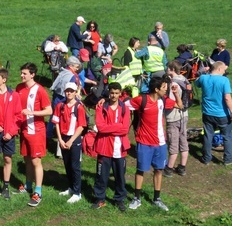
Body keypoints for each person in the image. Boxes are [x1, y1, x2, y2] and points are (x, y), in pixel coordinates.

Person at [127, 75, 174, 211]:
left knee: (159, 170)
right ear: (156, 89)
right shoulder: (141, 100)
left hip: (160, 143)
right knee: (141, 170)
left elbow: (180, 105)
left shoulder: (164, 100)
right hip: (144, 141)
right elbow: (123, 105)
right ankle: (137, 198)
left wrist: (176, 94)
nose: (166, 90)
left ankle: (157, 199)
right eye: (164, 88)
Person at [15, 62, 52, 207]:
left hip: (36, 130)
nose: (21, 76)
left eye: (25, 73)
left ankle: (38, 191)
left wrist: (32, 113)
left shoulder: (40, 90)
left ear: (32, 74)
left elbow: (49, 110)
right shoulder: (19, 88)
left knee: (36, 160)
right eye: (21, 73)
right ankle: (28, 185)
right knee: (27, 159)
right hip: (24, 129)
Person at [92, 82, 130, 212]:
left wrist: (110, 128)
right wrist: (117, 127)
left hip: (120, 149)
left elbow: (125, 129)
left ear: (120, 94)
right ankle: (99, 199)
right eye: (112, 93)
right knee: (101, 175)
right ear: (109, 93)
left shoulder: (124, 108)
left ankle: (119, 199)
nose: (114, 95)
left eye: (116, 93)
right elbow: (100, 127)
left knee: (120, 176)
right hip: (104, 147)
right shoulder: (101, 107)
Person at [0, 68, 21, 200]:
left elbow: (18, 116)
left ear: (4, 80)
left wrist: (11, 132)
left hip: (8, 133)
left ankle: (5, 186)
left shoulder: (14, 95)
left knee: (7, 159)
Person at [195, 61, 232, 166]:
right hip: (222, 114)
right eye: (223, 70)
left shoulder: (204, 78)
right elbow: (227, 98)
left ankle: (206, 158)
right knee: (227, 136)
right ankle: (228, 159)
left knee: (208, 135)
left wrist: (202, 72)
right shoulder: (224, 80)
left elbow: (196, 82)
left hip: (208, 113)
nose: (224, 72)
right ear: (219, 69)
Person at [52, 82, 86, 204]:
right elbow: (56, 122)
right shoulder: (60, 105)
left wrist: (71, 140)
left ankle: (77, 193)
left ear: (75, 92)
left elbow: (81, 126)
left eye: (71, 91)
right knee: (67, 164)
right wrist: (60, 139)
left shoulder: (79, 107)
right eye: (67, 91)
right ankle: (71, 188)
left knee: (75, 166)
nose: (69, 93)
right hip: (63, 138)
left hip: (74, 139)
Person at [164, 61, 189, 177]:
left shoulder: (173, 84)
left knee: (173, 143)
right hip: (184, 115)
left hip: (174, 117)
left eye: (167, 68)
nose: (166, 69)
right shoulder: (184, 79)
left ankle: (169, 168)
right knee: (183, 140)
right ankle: (182, 167)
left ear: (172, 69)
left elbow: (170, 102)